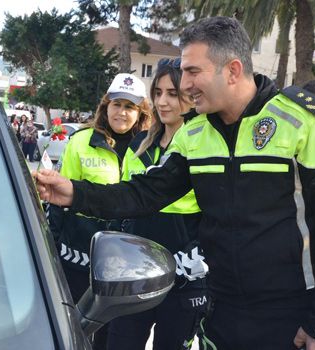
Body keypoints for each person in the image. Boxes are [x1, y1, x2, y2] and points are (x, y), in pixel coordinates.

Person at [34, 16, 315, 350]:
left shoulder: (307, 119)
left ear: (233, 70)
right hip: (220, 312)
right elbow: (144, 194)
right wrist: (74, 193)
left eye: (194, 72)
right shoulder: (194, 132)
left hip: (293, 319)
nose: (184, 85)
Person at [106, 58, 208, 350]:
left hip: (183, 277)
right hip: (134, 275)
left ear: (190, 96)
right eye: (158, 93)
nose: (163, 102)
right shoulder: (139, 144)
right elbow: (124, 203)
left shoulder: (204, 147)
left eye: (173, 94)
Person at [48, 72, 152, 350]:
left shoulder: (149, 148)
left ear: (141, 112)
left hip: (124, 265)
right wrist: (52, 249)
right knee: (73, 331)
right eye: (116, 104)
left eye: (130, 107)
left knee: (112, 338)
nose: (121, 112)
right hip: (78, 258)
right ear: (105, 106)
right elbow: (59, 202)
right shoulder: (80, 142)